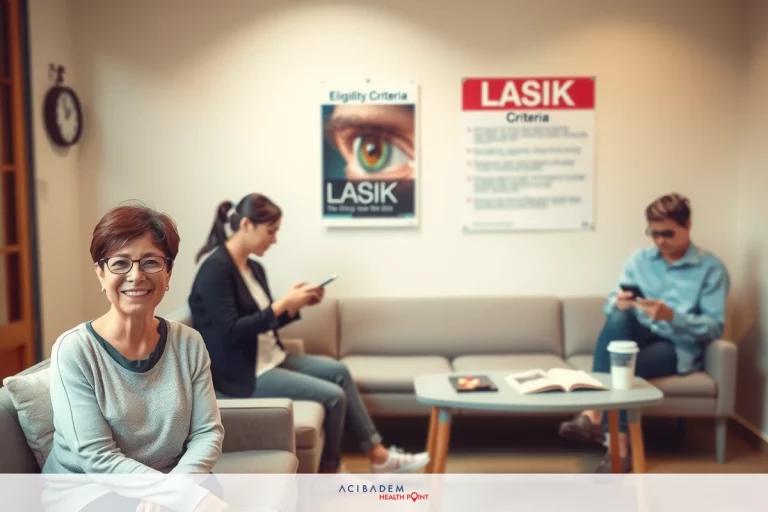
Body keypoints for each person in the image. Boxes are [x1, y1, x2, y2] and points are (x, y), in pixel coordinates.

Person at [188, 193, 429, 474]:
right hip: (243, 373)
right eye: (271, 231)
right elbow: (230, 331)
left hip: (271, 358)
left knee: (339, 371)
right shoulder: (215, 270)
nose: (274, 239)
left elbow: (263, 322)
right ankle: (330, 471)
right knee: (334, 396)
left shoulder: (253, 268)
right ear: (246, 225)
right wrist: (282, 304)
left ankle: (379, 457)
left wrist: (296, 305)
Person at [43, 202, 228, 512]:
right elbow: (96, 457)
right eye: (120, 263)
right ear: (101, 274)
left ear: (168, 273)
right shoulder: (74, 350)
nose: (136, 275)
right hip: (91, 491)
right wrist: (180, 495)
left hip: (176, 477)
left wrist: (174, 490)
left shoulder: (189, 343)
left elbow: (207, 432)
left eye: (151, 262)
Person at [558, 193, 730, 472]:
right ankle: (614, 439)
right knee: (619, 317)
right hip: (635, 334)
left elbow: (714, 327)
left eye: (667, 233)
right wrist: (617, 303)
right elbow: (610, 306)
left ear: (688, 225)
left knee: (622, 368)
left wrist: (673, 316)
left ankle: (604, 427)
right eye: (654, 233)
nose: (660, 241)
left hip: (676, 345)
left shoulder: (711, 269)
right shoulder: (639, 260)